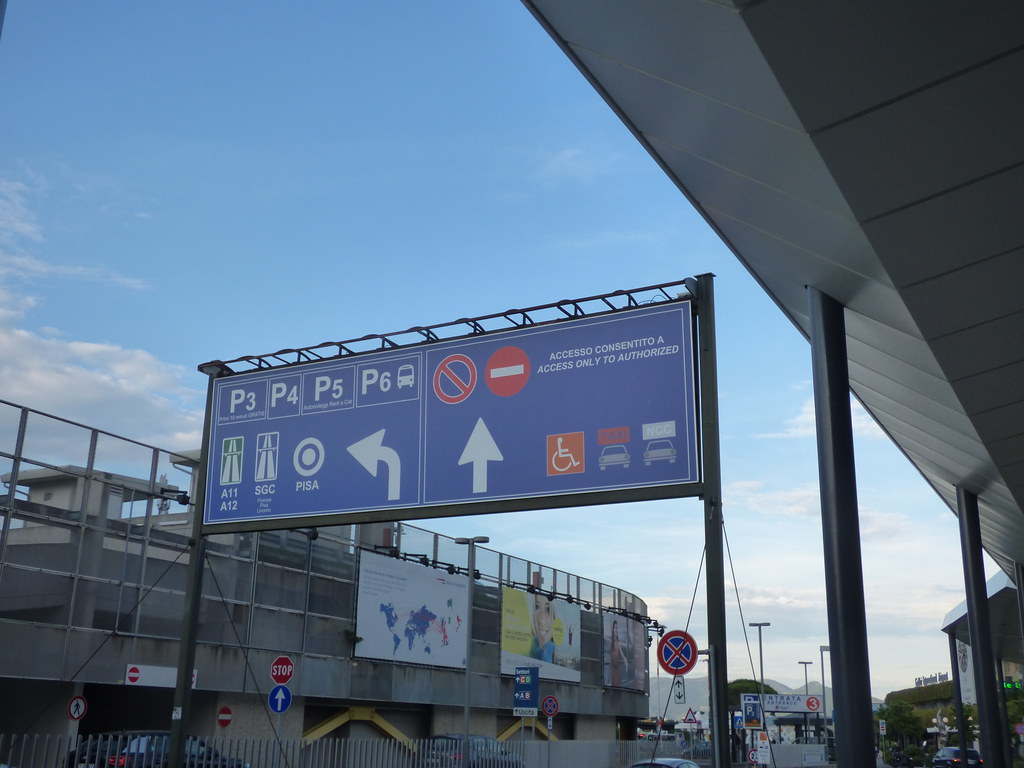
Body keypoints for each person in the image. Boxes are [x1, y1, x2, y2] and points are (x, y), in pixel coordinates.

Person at [529, 593, 555, 661]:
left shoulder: (555, 649)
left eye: (548, 609)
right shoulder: (526, 646)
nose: (542, 620)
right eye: (537, 607)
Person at [609, 619, 629, 686]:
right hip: (613, 671)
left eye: (617, 628)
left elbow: (622, 655)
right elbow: (610, 661)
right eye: (615, 628)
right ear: (613, 629)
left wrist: (626, 662)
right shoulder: (611, 643)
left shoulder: (618, 643)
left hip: (617, 671)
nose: (616, 630)